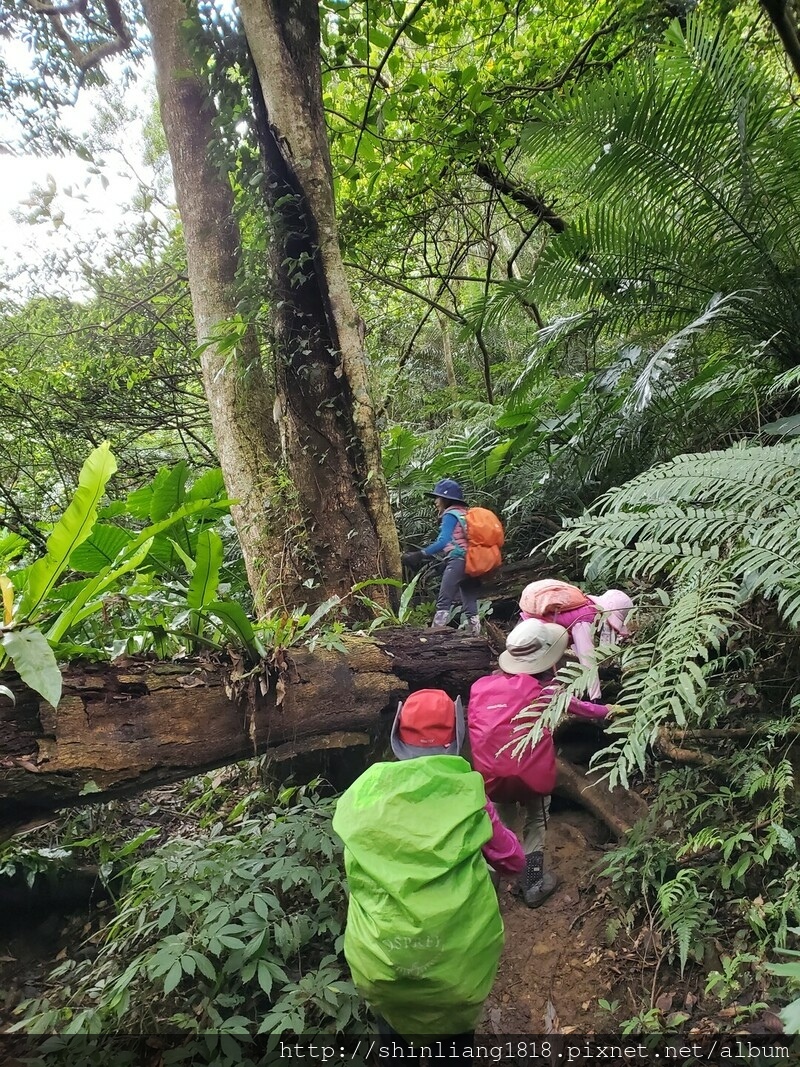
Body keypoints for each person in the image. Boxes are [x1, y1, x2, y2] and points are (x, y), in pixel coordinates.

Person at [332, 689, 524, 1053]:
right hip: (455, 971)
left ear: (397, 735)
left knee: (392, 1041)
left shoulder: (365, 794)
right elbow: (511, 859)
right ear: (457, 736)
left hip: (381, 963)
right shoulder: (470, 796)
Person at [467, 619, 616, 908]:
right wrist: (608, 710)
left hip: (491, 775)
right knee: (536, 818)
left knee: (499, 824)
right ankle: (533, 883)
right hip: (531, 773)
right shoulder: (545, 690)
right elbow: (583, 709)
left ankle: (487, 891)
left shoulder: (480, 687)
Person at [518, 580, 634, 699]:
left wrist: (600, 672)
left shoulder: (584, 607)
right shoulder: (586, 617)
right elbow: (587, 661)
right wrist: (595, 698)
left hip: (527, 630)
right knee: (543, 686)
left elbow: (582, 657)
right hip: (533, 639)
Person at [401, 478, 481, 635]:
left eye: (437, 498)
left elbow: (443, 541)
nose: (436, 502)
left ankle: (435, 635)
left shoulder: (450, 515)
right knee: (470, 600)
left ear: (445, 499)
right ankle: (477, 634)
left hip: (457, 561)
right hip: (472, 562)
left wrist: (420, 554)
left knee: (444, 599)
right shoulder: (465, 513)